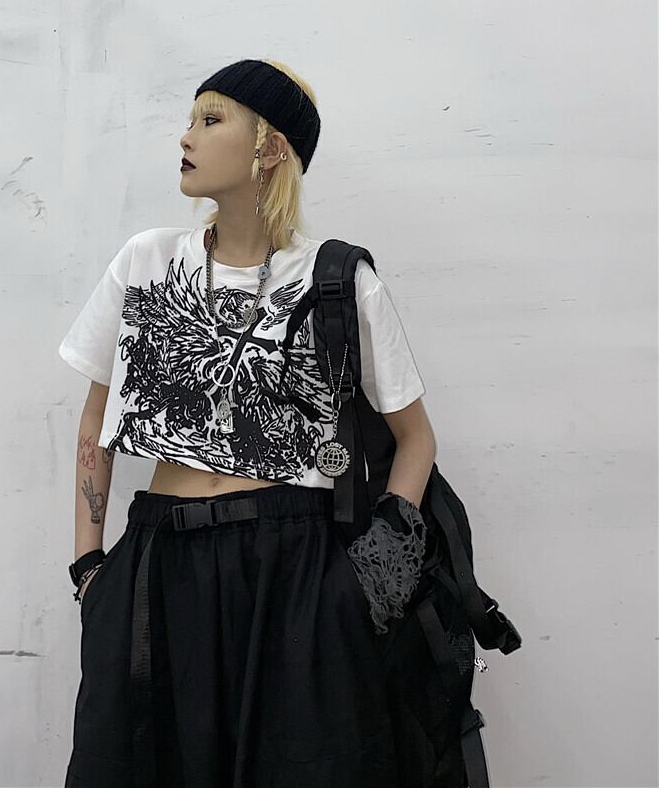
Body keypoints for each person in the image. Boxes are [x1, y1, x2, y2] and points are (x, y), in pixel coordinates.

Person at [58, 58, 438, 788]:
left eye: (211, 119)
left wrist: (372, 581)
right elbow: (95, 418)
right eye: (190, 120)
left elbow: (415, 438)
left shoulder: (338, 279)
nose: (186, 136)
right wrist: (89, 569)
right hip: (158, 557)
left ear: (271, 147)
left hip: (294, 567)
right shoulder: (145, 260)